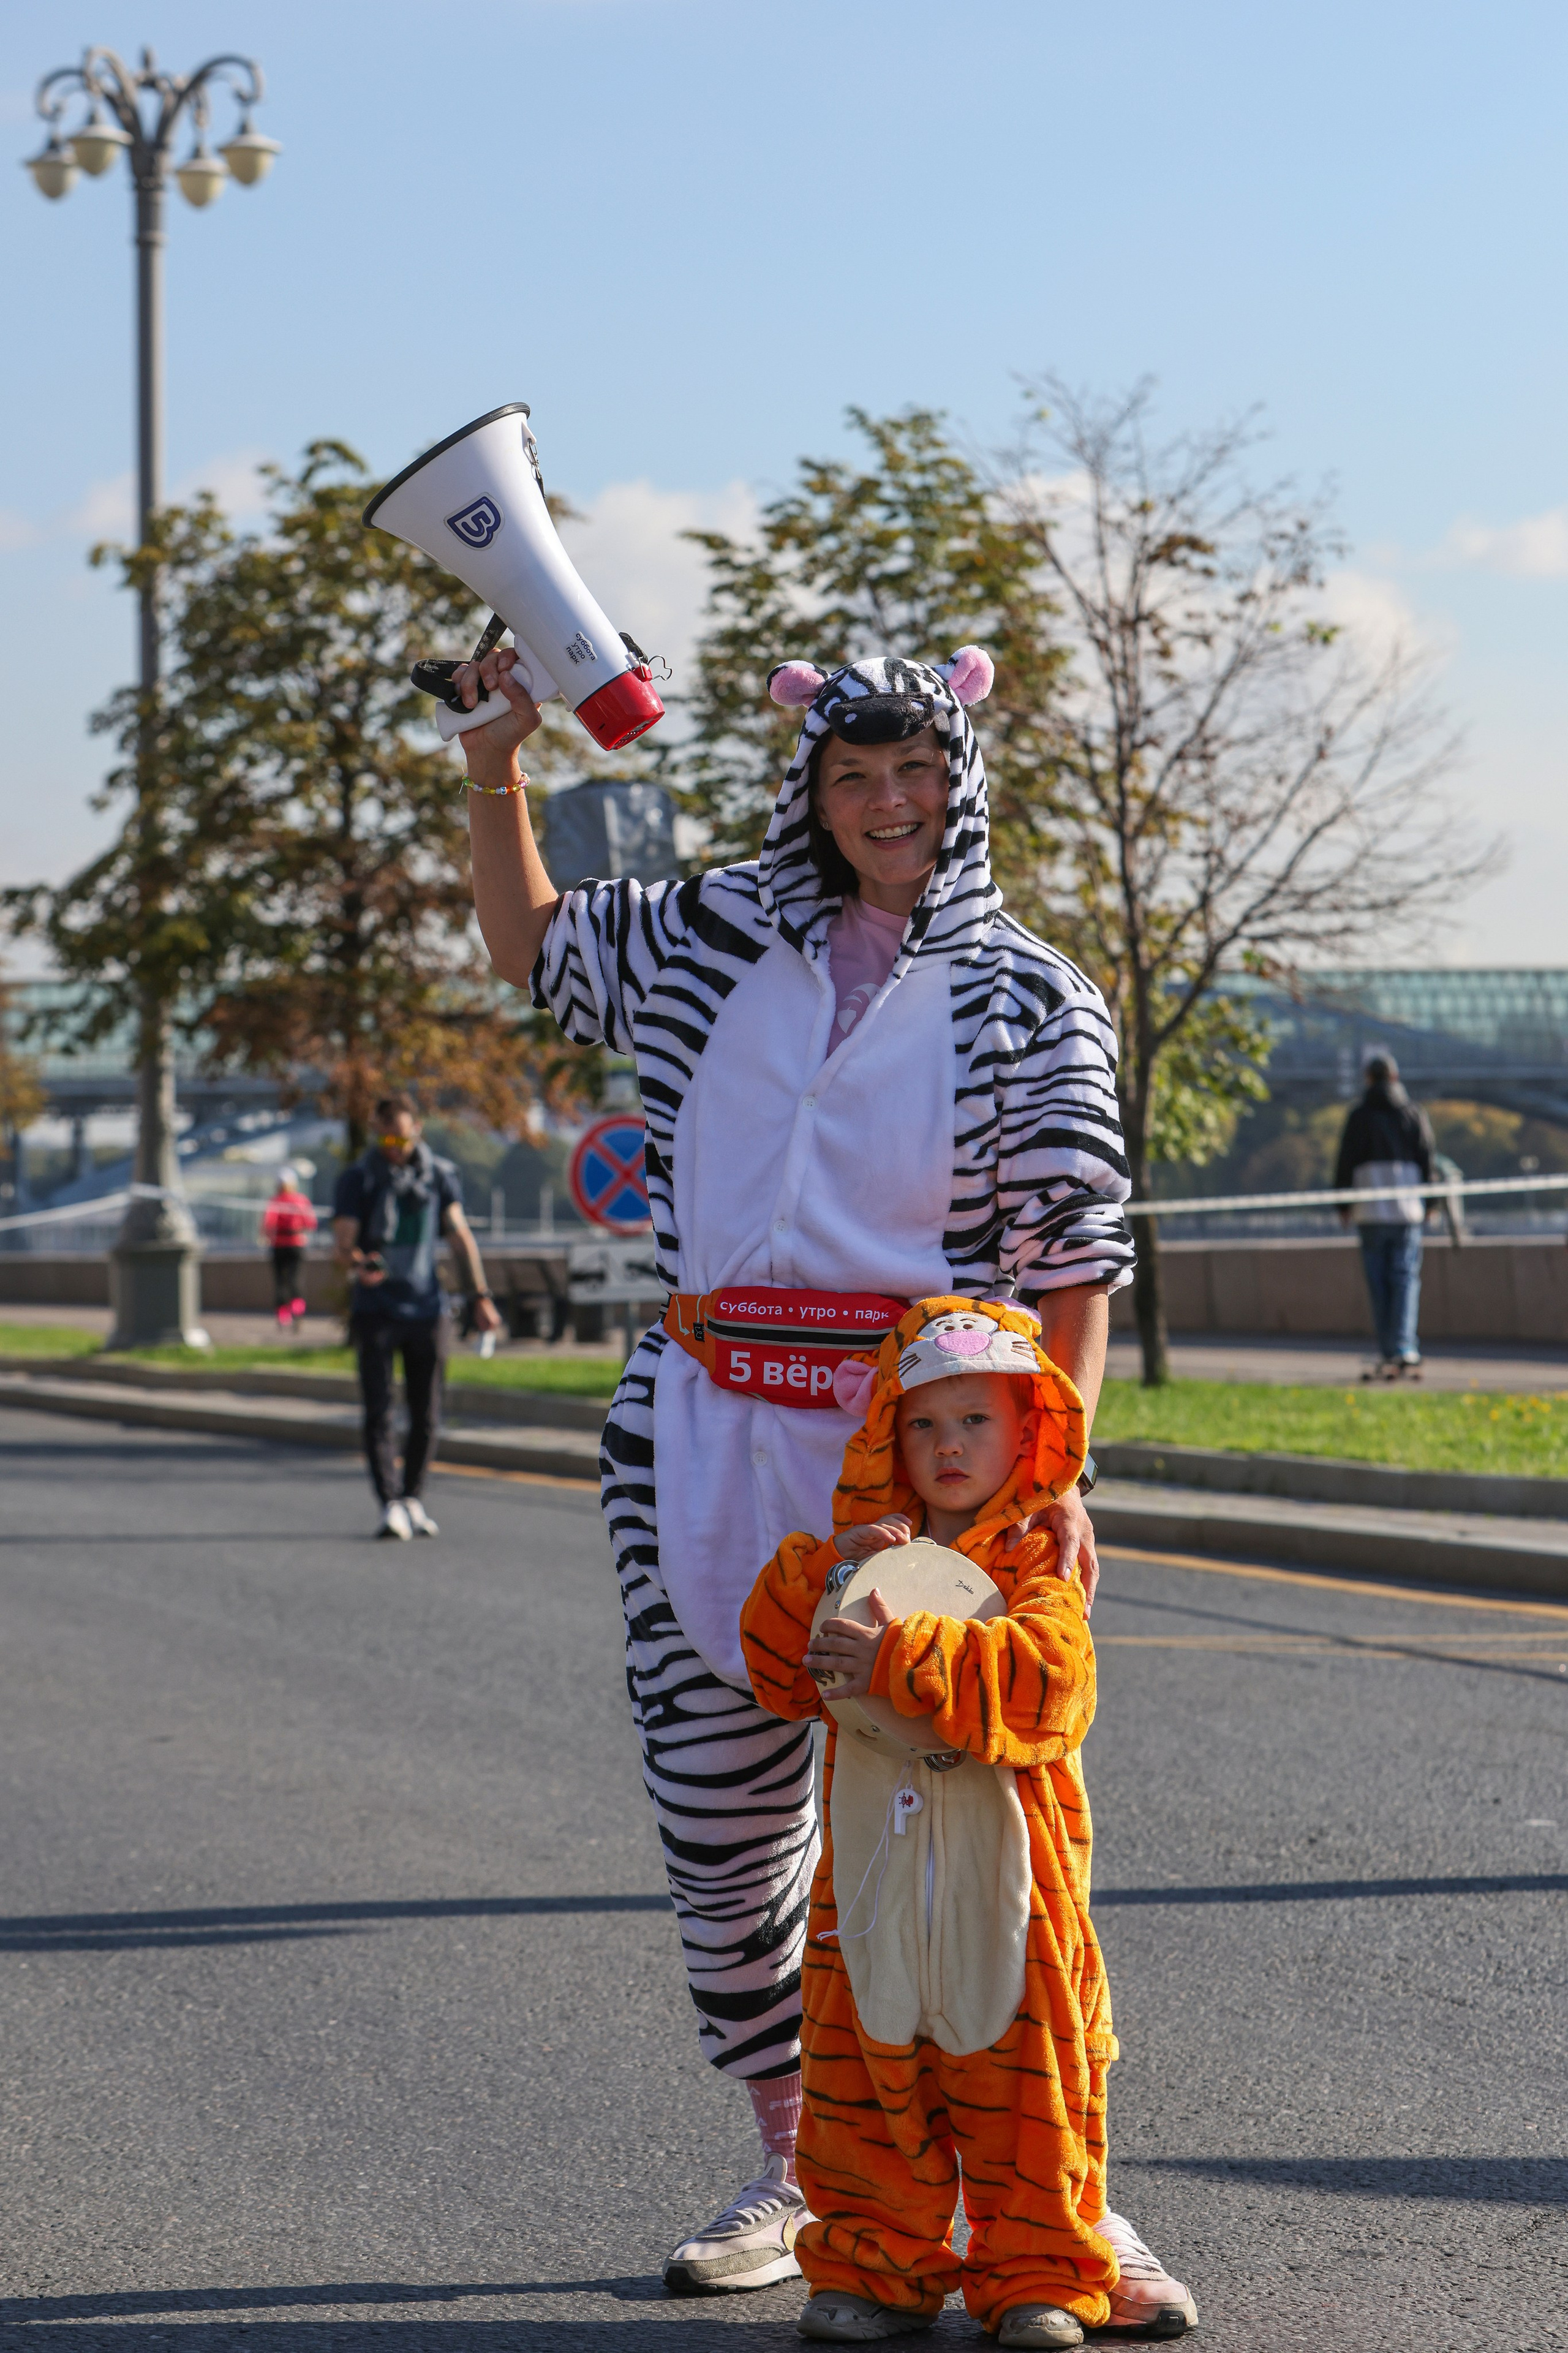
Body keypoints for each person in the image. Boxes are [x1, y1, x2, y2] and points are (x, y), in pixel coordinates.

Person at [458, 638, 1136, 2291]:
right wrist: (494, 759)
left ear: (958, 781)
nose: (884, 803)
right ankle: (797, 2167)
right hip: (695, 1434)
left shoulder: (1027, 993)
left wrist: (1051, 1480)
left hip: (921, 1461)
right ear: (813, 794)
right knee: (723, 1827)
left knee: (981, 1837)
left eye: (912, 771)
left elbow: (1074, 1264)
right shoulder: (706, 937)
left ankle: (1051, 2200)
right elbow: (533, 943)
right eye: (852, 777)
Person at [742, 1297, 1196, 2347]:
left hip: (1014, 1895)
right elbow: (775, 1668)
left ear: (1031, 1425)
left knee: (1026, 2095)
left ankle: (1038, 2267)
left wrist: (898, 1660)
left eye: (977, 1422)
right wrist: (826, 1572)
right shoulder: (860, 1553)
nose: (949, 1446)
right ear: (886, 1438)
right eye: (923, 1425)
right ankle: (874, 2261)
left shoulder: (1042, 1554)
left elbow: (1050, 1688)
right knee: (866, 2081)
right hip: (869, 1880)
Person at [331, 1095, 502, 1539]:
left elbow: (459, 1234)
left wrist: (480, 1295)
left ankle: (413, 1497)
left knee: (427, 1412)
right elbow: (342, 1242)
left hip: (427, 1306)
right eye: (385, 1137)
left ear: (417, 1130)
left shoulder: (440, 1175)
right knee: (379, 1410)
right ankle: (389, 1502)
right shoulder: (359, 1178)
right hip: (376, 1309)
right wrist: (358, 1263)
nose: (393, 1147)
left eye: (401, 1137)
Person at [1335, 1051, 1436, 1379]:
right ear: (1395, 1077)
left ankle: (1388, 1348)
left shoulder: (1359, 1116)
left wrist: (1343, 1205)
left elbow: (1345, 1161)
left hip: (1369, 1210)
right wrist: (1431, 1204)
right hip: (1407, 1210)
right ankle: (1405, 1346)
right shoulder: (1413, 1114)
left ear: (1368, 1079)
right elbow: (1427, 1160)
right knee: (1405, 1279)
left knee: (1378, 1283)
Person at [261, 1166, 318, 1331]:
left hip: (279, 1245)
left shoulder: (275, 1201)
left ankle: (283, 1315)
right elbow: (311, 1223)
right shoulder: (300, 1200)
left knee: (281, 1281)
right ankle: (297, 1311)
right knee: (296, 1279)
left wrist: (269, 1236)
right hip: (296, 1244)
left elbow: (267, 1223)